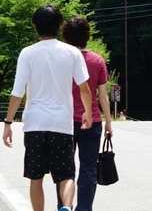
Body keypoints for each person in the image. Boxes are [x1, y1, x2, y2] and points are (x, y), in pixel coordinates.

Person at [2, 4, 92, 211]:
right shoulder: (72, 52)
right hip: (61, 124)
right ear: (60, 26)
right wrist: (87, 112)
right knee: (66, 175)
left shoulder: (27, 53)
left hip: (35, 124)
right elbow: (84, 88)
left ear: (34, 26)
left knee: (35, 177)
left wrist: (8, 122)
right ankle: (67, 208)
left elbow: (18, 92)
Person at [57, 16, 113, 211]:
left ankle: (63, 206)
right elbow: (103, 95)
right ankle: (84, 208)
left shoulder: (60, 59)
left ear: (65, 36)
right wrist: (108, 123)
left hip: (64, 122)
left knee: (65, 169)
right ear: (87, 36)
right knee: (88, 168)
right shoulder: (97, 61)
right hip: (93, 122)